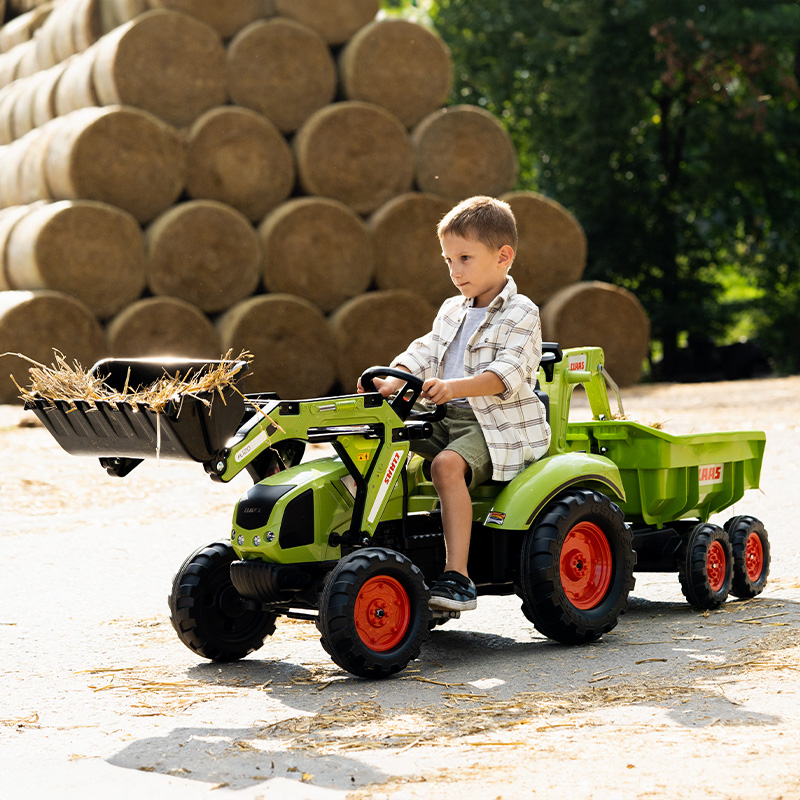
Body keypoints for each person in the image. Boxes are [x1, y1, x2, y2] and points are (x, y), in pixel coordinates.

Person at [359, 195, 550, 611]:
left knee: (446, 465)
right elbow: (425, 350)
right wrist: (392, 377)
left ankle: (458, 577)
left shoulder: (522, 312)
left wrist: (454, 387)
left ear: (503, 257)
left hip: (496, 424)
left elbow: (507, 376)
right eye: (447, 260)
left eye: (464, 257)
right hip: (445, 414)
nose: (454, 270)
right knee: (373, 440)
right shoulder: (451, 310)